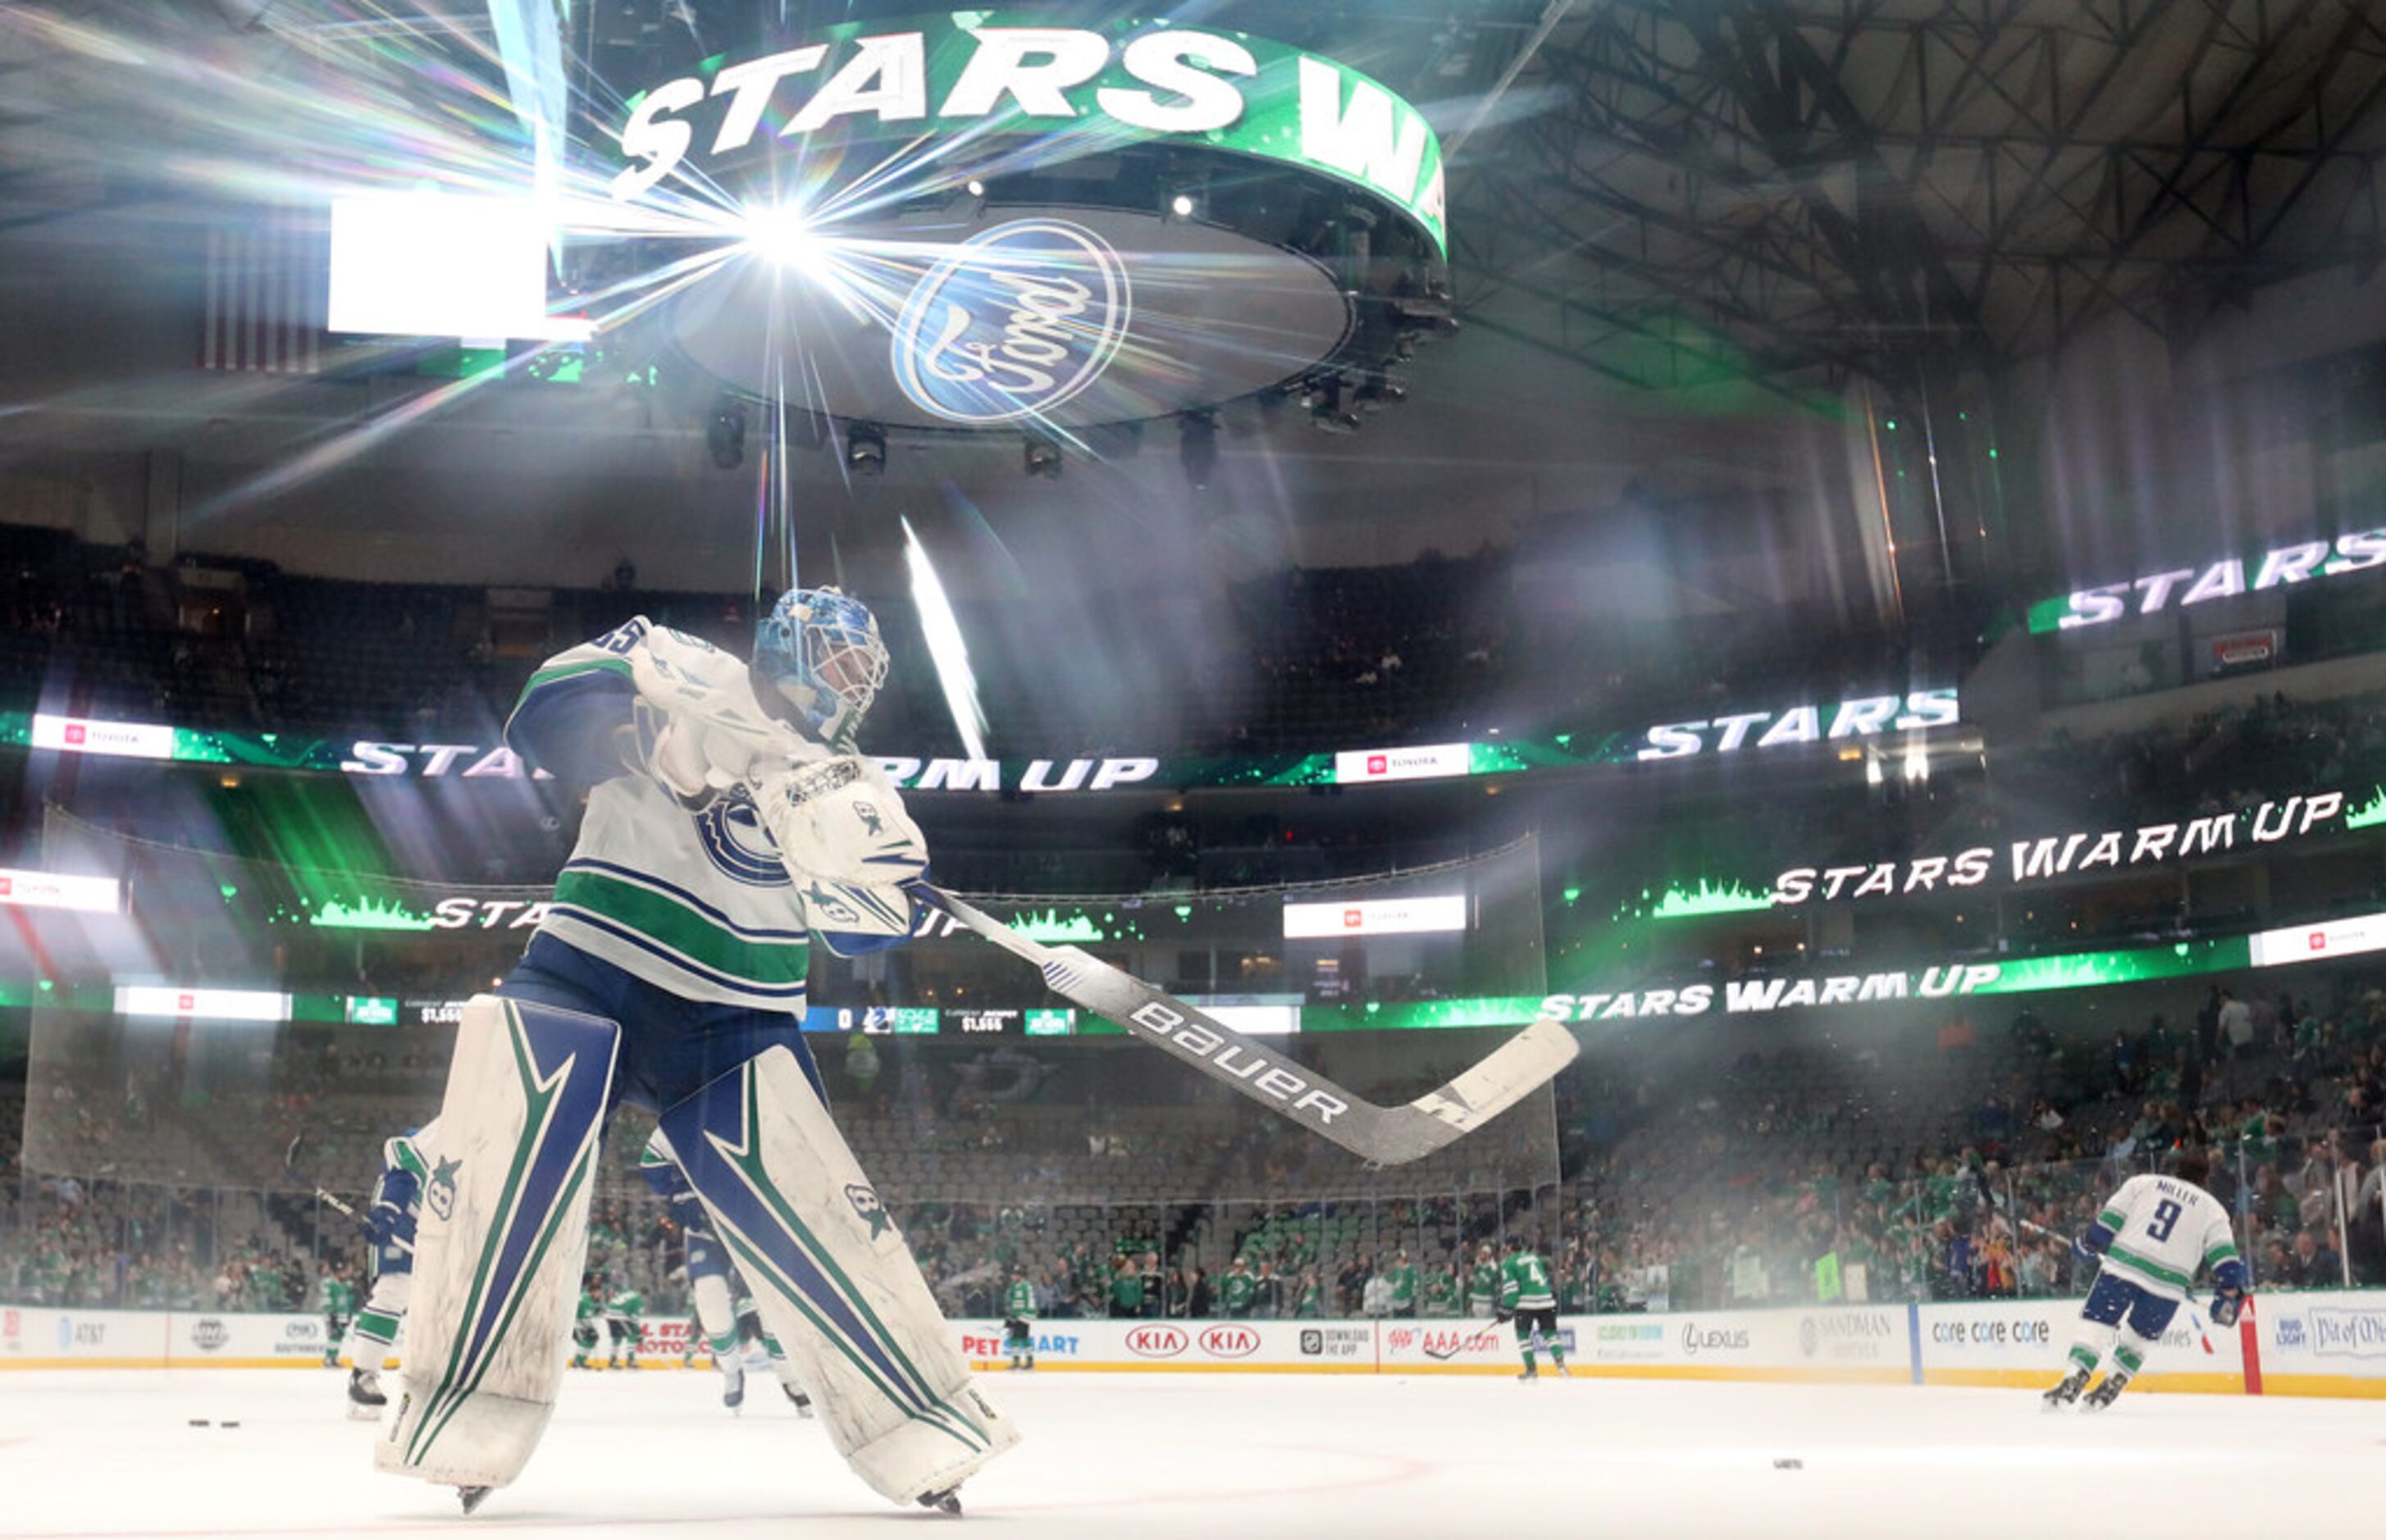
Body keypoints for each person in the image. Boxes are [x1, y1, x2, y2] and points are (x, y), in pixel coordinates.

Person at [379, 592, 1014, 1515]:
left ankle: (923, 1425)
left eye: (859, 675)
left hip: (735, 1018)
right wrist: (655, 739)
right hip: (587, 965)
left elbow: (862, 939)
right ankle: (464, 1410)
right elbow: (542, 717)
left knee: (818, 1209)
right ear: (788, 647)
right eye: (837, 664)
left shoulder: (849, 781)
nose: (847, 687)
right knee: (501, 1142)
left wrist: (872, 883)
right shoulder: (680, 663)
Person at [2044, 1150, 2247, 1411]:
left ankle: (2076, 1375)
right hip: (2166, 1287)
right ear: (2205, 1178)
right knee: (2139, 1338)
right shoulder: (2213, 1210)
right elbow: (2227, 1264)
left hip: (2122, 1271)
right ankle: (2116, 1379)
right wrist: (2229, 1295)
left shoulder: (2142, 1184)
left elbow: (2104, 1231)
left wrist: (2085, 1245)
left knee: (2097, 1324)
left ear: (2174, 1170)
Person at [1498, 1237, 1569, 1381]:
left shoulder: (1508, 1263)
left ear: (1509, 1248)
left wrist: (1506, 1308)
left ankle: (1531, 1370)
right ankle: (1561, 1364)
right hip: (1547, 1301)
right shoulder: (1534, 1258)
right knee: (1550, 1334)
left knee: (1523, 1336)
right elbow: (1547, 1266)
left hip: (1526, 1304)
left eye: (1505, 1248)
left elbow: (1511, 1289)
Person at [1002, 1269, 1037, 1371]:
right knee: (1024, 1338)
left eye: (1015, 1275)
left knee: (1015, 1338)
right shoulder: (1025, 1285)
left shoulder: (1020, 1286)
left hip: (1021, 1315)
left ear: (1020, 1276)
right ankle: (1029, 1361)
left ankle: (1017, 1362)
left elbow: (1019, 1302)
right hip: (1026, 1316)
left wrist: (1013, 1315)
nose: (1013, 1277)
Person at [1465, 1243, 1500, 1319]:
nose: (1481, 1255)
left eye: (1484, 1253)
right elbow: (1471, 1280)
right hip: (1476, 1300)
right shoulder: (1478, 1267)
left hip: (1487, 1301)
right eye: (1481, 1253)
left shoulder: (1493, 1267)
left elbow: (1493, 1281)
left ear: (1488, 1255)